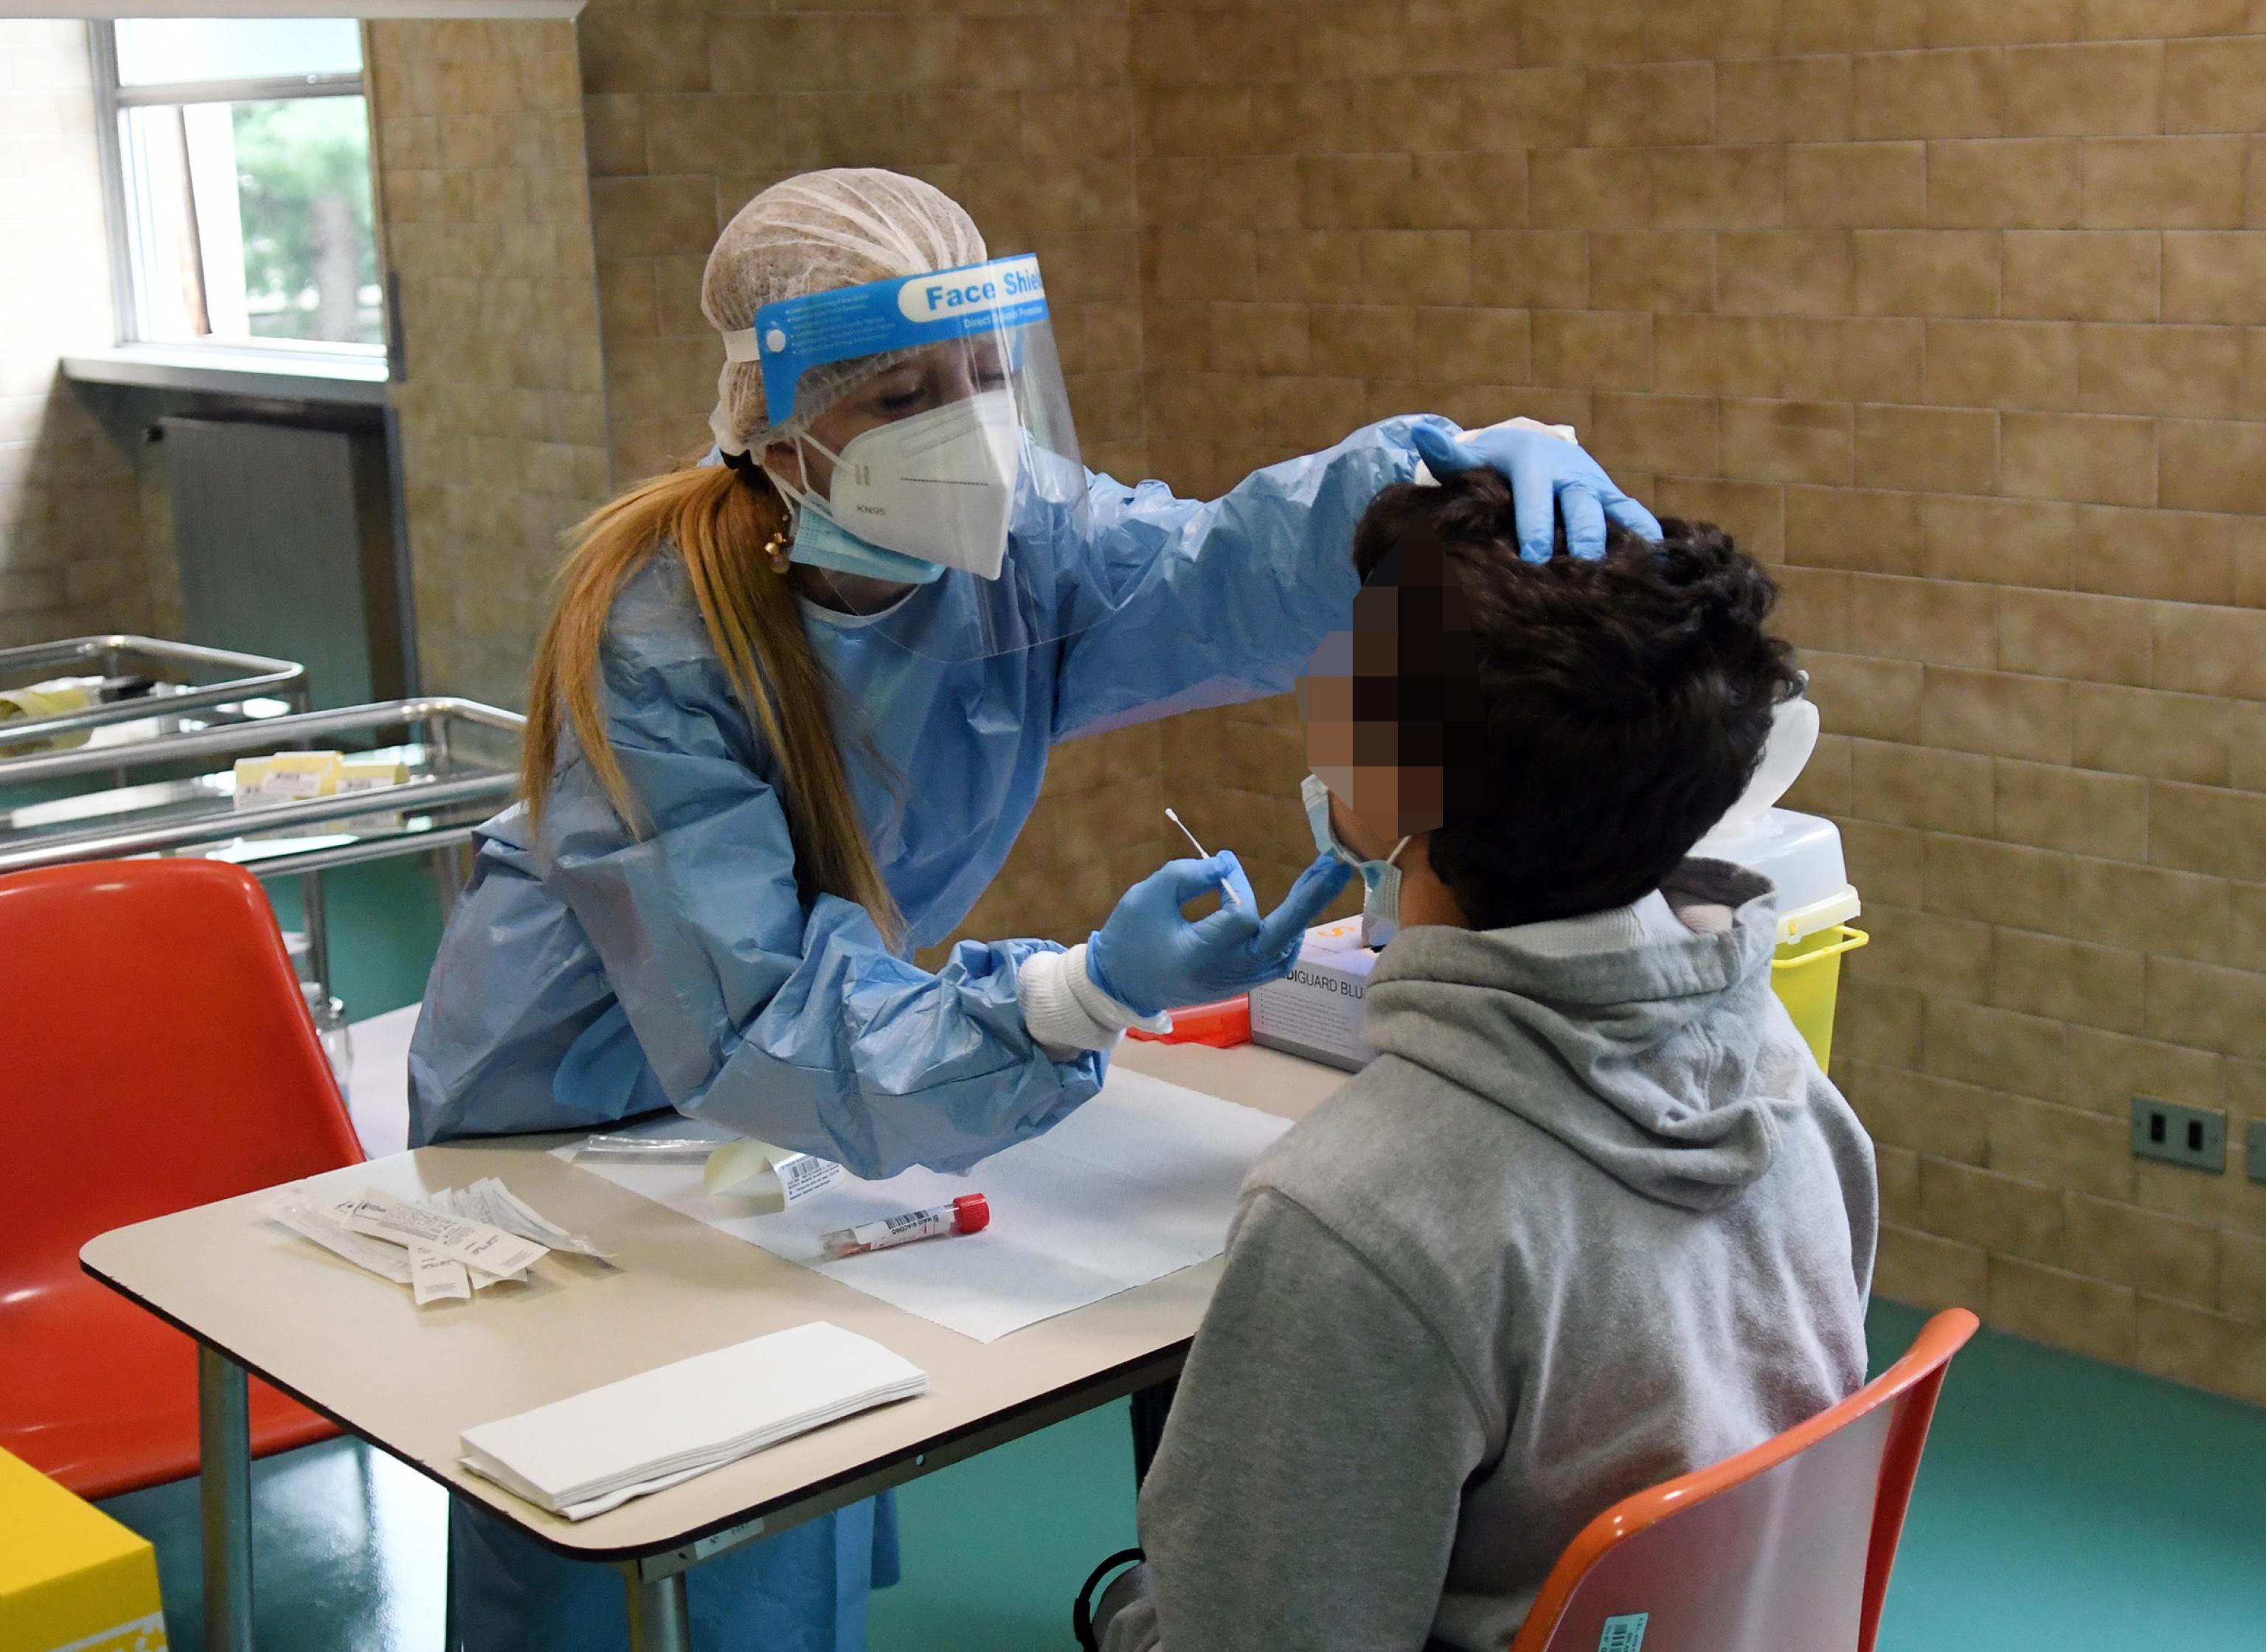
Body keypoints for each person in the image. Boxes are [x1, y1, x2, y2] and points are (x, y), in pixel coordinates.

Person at [406, 167, 1658, 1652]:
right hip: (577, 1109)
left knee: (793, 1479)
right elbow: (752, 1021)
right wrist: (1071, 998)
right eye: (900, 394)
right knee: (631, 1530)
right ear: (773, 421)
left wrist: (1418, 482)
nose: (970, 429)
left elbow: (1216, 574)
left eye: (991, 374)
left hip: (794, 1097)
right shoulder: (661, 631)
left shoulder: (1015, 549)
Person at [1083, 468, 1879, 1652]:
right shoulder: (1781, 1069)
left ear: (1402, 781)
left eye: (1343, 668)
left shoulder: (1358, 1217)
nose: (1318, 687)